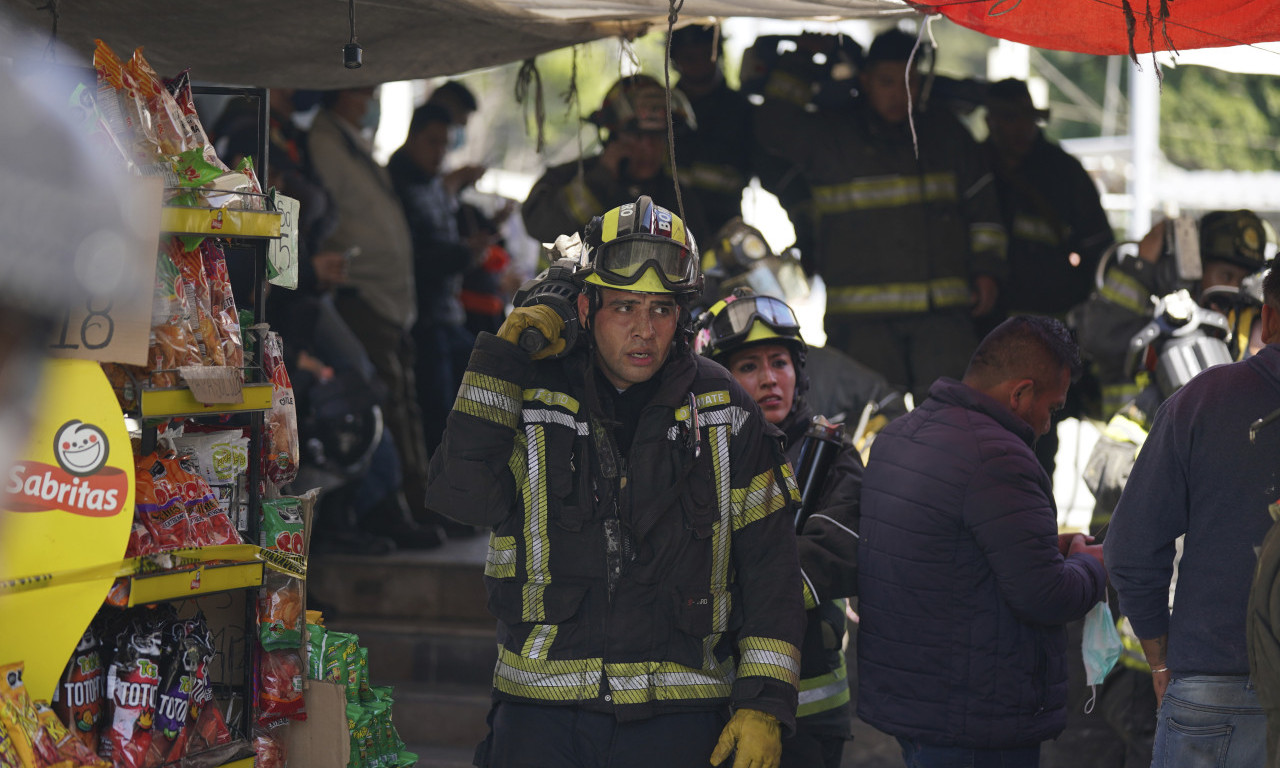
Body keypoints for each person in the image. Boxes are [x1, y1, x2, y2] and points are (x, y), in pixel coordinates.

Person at [424, 196, 804, 768]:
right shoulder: (528, 392)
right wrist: (502, 358)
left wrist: (764, 705)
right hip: (541, 715)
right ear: (584, 306)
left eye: (660, 309)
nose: (644, 331)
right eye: (624, 307)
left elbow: (772, 570)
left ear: (682, 315)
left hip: (680, 717)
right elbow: (461, 496)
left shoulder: (726, 409)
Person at [857, 315, 1107, 767]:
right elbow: (1047, 595)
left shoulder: (900, 437)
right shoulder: (1000, 456)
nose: (1048, 427)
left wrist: (1045, 546)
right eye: (1052, 408)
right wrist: (1093, 565)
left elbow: (950, 551)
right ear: (1020, 393)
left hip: (918, 710)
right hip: (977, 723)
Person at [756, 28, 1007, 400]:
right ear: (865, 81)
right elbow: (773, 126)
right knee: (871, 427)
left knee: (951, 422)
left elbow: (983, 208)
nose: (900, 94)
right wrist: (801, 59)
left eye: (910, 82)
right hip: (864, 326)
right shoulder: (832, 136)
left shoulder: (947, 135)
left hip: (941, 322)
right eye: (887, 82)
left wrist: (987, 270)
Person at [1104, 267, 1280, 768]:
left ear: (1266, 318)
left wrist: (1159, 660)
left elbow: (1130, 549)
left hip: (1215, 685)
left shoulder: (1205, 400)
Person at [694, 290, 862, 768]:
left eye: (780, 363)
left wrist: (727, 581)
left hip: (806, 716)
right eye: (749, 366)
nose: (769, 379)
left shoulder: (831, 459)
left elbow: (837, 553)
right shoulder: (693, 454)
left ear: (799, 373)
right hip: (708, 706)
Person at [308, 86, 443, 547]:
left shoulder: (353, 142)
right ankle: (385, 505)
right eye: (363, 90)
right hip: (357, 292)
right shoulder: (324, 142)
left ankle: (410, 497)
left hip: (386, 297)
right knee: (377, 398)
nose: (371, 97)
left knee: (401, 400)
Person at [1077, 209, 1269, 418]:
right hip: (1133, 440)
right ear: (1194, 271)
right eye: (1226, 275)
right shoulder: (1152, 316)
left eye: (1244, 280)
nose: (1234, 289)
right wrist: (1140, 269)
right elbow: (1098, 336)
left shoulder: (1252, 332)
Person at [388, 102, 488, 454]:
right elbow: (413, 257)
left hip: (447, 316)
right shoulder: (397, 185)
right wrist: (464, 254)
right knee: (439, 416)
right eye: (432, 142)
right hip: (422, 320)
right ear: (412, 138)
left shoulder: (432, 183)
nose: (439, 152)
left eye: (445, 144)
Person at [521, 74, 707, 245]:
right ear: (613, 136)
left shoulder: (678, 197)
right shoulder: (567, 176)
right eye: (637, 136)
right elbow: (540, 226)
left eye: (657, 137)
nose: (649, 148)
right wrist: (601, 178)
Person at [669, 24, 754, 235]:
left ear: (718, 54)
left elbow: (772, 169)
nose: (699, 64)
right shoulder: (662, 109)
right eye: (689, 57)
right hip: (668, 226)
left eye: (707, 54)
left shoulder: (740, 110)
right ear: (675, 59)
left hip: (723, 227)